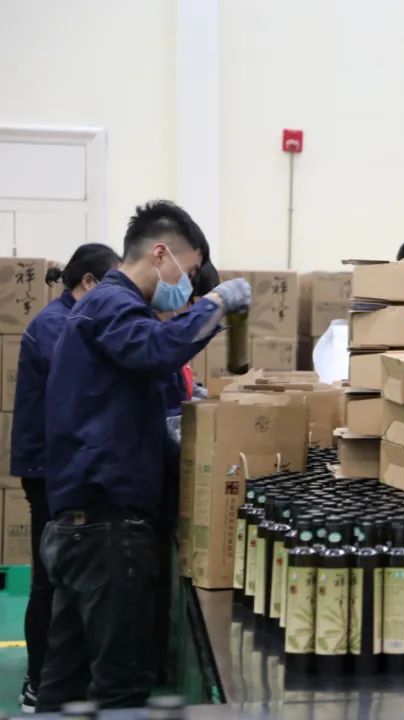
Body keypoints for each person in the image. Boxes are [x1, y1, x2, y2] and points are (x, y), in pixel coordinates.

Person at [37, 200, 252, 710]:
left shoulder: (103, 309)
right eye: (189, 272)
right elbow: (156, 350)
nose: (188, 285)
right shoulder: (113, 304)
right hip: (106, 528)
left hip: (80, 525)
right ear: (160, 254)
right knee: (121, 688)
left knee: (65, 683)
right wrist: (215, 304)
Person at [8, 243, 121, 712]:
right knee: (49, 579)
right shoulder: (58, 325)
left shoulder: (71, 319)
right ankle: (38, 682)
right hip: (48, 470)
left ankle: (58, 675)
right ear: (88, 284)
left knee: (66, 576)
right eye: (113, 285)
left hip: (59, 465)